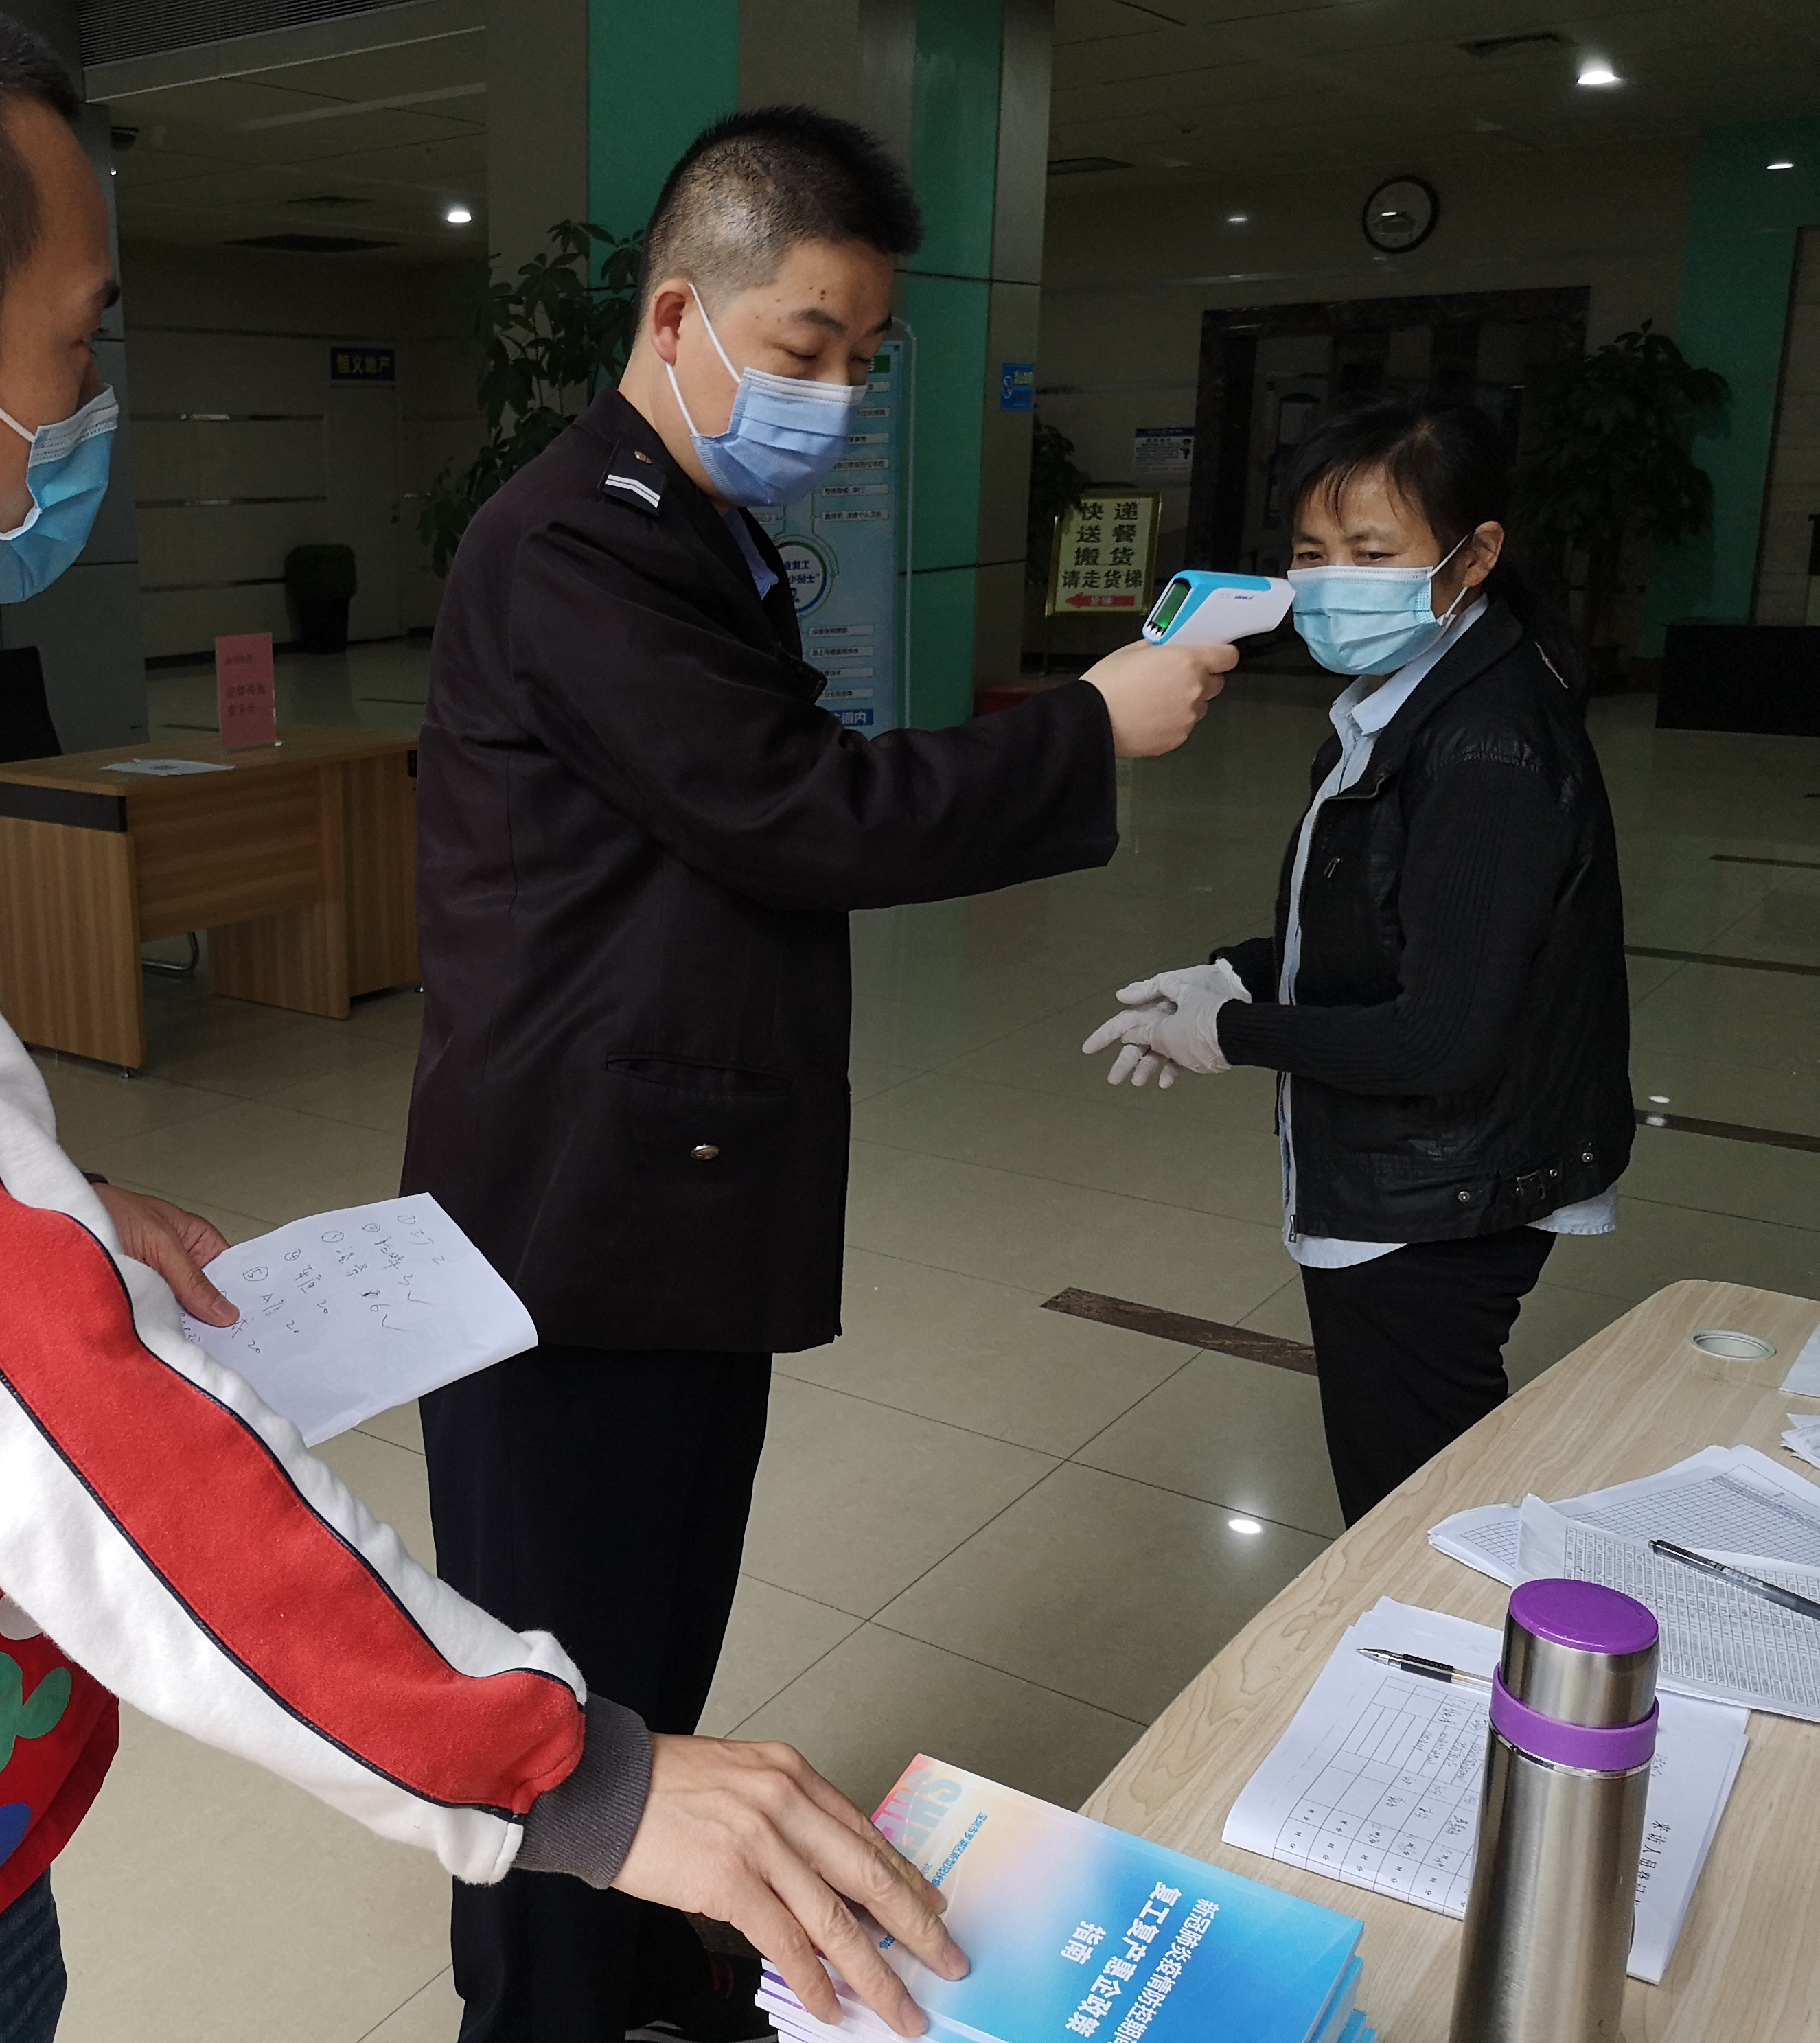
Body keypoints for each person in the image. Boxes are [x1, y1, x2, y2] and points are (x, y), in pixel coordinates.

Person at [0, 7, 967, 2040]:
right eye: (77, 341)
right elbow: (42, 1409)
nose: (89, 405)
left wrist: (11, 1192)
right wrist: (562, 1770)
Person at [400, 106, 1236, 2043]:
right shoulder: (570, 543)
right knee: (558, 1694)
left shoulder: (696, 526)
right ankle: (544, 2016)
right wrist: (1084, 728)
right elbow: (797, 810)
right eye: (804, 346)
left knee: (658, 1626)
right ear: (676, 314)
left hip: (678, 1189)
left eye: (865, 356)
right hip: (569, 1220)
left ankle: (643, 1965)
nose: (837, 395)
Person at [1083, 400, 1633, 1527]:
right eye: (1311, 553)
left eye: (1373, 554)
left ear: (1473, 555)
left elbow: (1440, 1038)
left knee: (1416, 1501)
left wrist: (1229, 1032)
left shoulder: (1485, 744)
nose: (1336, 583)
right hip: (1432, 1170)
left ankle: (1443, 1637)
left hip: (1441, 1191)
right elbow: (1390, 923)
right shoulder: (1417, 696)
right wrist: (1238, 972)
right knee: (1422, 1466)